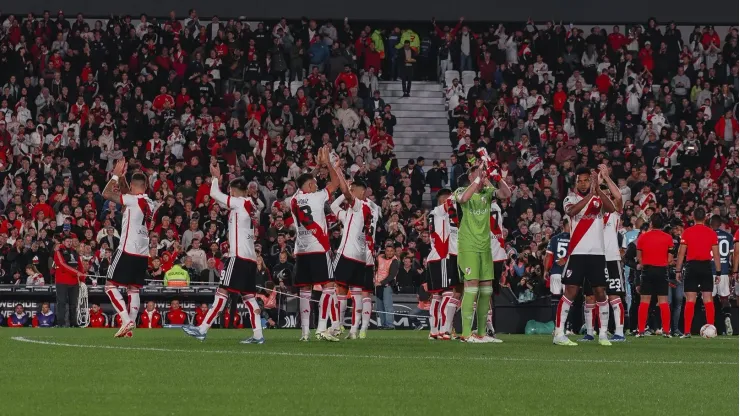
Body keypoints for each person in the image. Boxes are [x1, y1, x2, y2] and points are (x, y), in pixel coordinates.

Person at [182, 162, 264, 344]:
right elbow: (220, 200)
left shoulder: (239, 202)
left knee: (222, 292)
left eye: (230, 191)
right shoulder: (249, 204)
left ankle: (202, 329)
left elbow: (214, 194)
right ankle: (258, 335)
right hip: (250, 258)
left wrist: (215, 178)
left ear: (234, 191)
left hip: (238, 257)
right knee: (249, 298)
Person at [553, 167, 617, 347]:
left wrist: (597, 191)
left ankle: (603, 334)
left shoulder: (599, 198)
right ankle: (559, 333)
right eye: (580, 180)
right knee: (570, 292)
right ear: (575, 183)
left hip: (597, 254)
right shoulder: (570, 198)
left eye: (586, 180)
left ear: (591, 181)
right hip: (577, 253)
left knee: (600, 293)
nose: (583, 183)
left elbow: (612, 208)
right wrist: (590, 195)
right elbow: (572, 212)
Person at [102, 159, 161, 338]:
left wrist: (114, 175)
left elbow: (106, 194)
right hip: (142, 253)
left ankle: (126, 319)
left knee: (109, 286)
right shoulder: (150, 203)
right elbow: (128, 193)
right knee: (133, 289)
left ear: (135, 187)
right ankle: (130, 328)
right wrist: (121, 178)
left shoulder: (132, 201)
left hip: (127, 249)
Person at [454, 160, 511, 342]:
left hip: (485, 247)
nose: (480, 174)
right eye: (476, 172)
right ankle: (465, 333)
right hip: (468, 246)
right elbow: (463, 199)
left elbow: (506, 193)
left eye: (481, 171)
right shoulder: (461, 191)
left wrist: (496, 178)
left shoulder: (487, 192)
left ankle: (481, 334)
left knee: (486, 291)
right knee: (471, 288)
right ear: (470, 176)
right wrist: (479, 180)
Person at [289, 146, 340, 342]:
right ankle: (320, 328)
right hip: (319, 248)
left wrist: (316, 168)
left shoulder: (294, 200)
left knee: (305, 290)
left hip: (301, 251)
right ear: (310, 186)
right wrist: (327, 163)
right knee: (328, 285)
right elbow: (335, 182)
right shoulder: (319, 196)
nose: (317, 185)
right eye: (315, 183)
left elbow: (303, 181)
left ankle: (304, 333)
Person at [586, 164, 627, 342]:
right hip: (594, 257)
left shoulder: (615, 213)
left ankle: (619, 331)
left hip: (611, 257)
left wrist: (606, 177)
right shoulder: (593, 213)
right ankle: (589, 332)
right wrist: (595, 181)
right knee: (590, 295)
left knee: (613, 295)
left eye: (606, 194)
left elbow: (618, 196)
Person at [329, 173, 372, 339]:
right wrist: (345, 191)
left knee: (338, 289)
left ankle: (336, 326)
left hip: (347, 253)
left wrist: (339, 172)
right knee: (355, 292)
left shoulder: (359, 206)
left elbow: (347, 195)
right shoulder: (352, 214)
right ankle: (353, 330)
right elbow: (333, 207)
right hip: (360, 256)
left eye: (353, 191)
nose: (349, 194)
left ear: (359, 193)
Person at [675, 207, 722, 338]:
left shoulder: (687, 232)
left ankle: (686, 332)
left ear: (693, 217)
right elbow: (716, 255)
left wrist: (678, 270)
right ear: (705, 218)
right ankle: (711, 328)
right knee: (708, 298)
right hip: (706, 266)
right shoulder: (711, 233)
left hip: (692, 267)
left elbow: (681, 253)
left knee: (690, 299)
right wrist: (718, 272)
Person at [426, 189, 460, 341]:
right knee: (447, 292)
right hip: (442, 255)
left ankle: (434, 331)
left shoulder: (434, 214)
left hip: (434, 257)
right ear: (442, 200)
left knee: (437, 295)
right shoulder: (440, 211)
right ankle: (444, 330)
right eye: (448, 199)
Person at [635, 214, 674, 337]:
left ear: (651, 223)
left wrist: (646, 263)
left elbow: (639, 258)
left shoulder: (642, 237)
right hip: (662, 271)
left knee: (644, 301)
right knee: (663, 301)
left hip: (647, 270)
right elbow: (670, 259)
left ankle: (641, 330)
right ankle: (667, 331)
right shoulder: (668, 238)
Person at [709, 215, 734, 335]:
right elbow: (732, 255)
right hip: (723, 270)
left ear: (710, 224)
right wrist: (733, 270)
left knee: (709, 298)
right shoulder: (728, 236)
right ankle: (727, 317)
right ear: (720, 224)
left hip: (710, 270)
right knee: (724, 298)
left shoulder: (707, 235)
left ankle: (711, 323)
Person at [53, 236, 85, 327]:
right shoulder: (59, 252)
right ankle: (61, 323)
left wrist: (82, 279)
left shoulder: (74, 252)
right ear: (63, 242)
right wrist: (76, 272)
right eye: (67, 241)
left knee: (73, 304)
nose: (69, 243)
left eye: (71, 241)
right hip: (62, 281)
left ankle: (73, 323)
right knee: (61, 303)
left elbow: (80, 266)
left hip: (74, 282)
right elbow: (62, 264)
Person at [544, 219, 570, 326]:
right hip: (568, 272)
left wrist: (546, 270)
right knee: (568, 299)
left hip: (555, 271)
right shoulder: (574, 238)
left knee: (555, 299)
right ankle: (567, 326)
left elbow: (549, 256)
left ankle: (557, 326)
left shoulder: (554, 239)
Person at [488, 199, 507, 341]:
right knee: (489, 293)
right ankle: (488, 327)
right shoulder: (497, 208)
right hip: (498, 254)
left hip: (487, 254)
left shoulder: (484, 206)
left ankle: (487, 327)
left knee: (483, 292)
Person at [375, 242, 400, 329]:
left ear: (394, 252)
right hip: (377, 285)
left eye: (391, 251)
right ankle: (383, 324)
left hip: (387, 285)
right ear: (385, 251)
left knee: (387, 305)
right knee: (379, 306)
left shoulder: (395, 261)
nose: (389, 252)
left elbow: (392, 275)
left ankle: (390, 324)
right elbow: (375, 269)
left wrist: (381, 283)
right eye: (387, 251)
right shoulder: (379, 258)